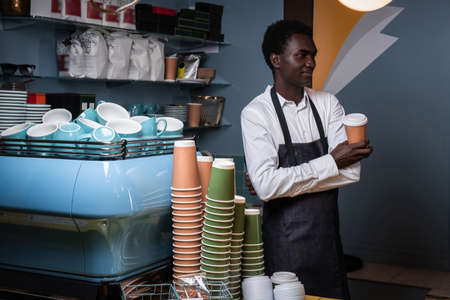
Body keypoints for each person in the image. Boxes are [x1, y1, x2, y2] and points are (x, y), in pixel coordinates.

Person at [240, 20, 373, 299]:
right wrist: (331, 162)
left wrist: (281, 183)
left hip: (327, 243)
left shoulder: (328, 104)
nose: (311, 62)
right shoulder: (256, 114)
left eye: (313, 55)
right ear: (276, 59)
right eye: (302, 55)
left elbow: (351, 173)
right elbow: (267, 187)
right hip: (283, 248)